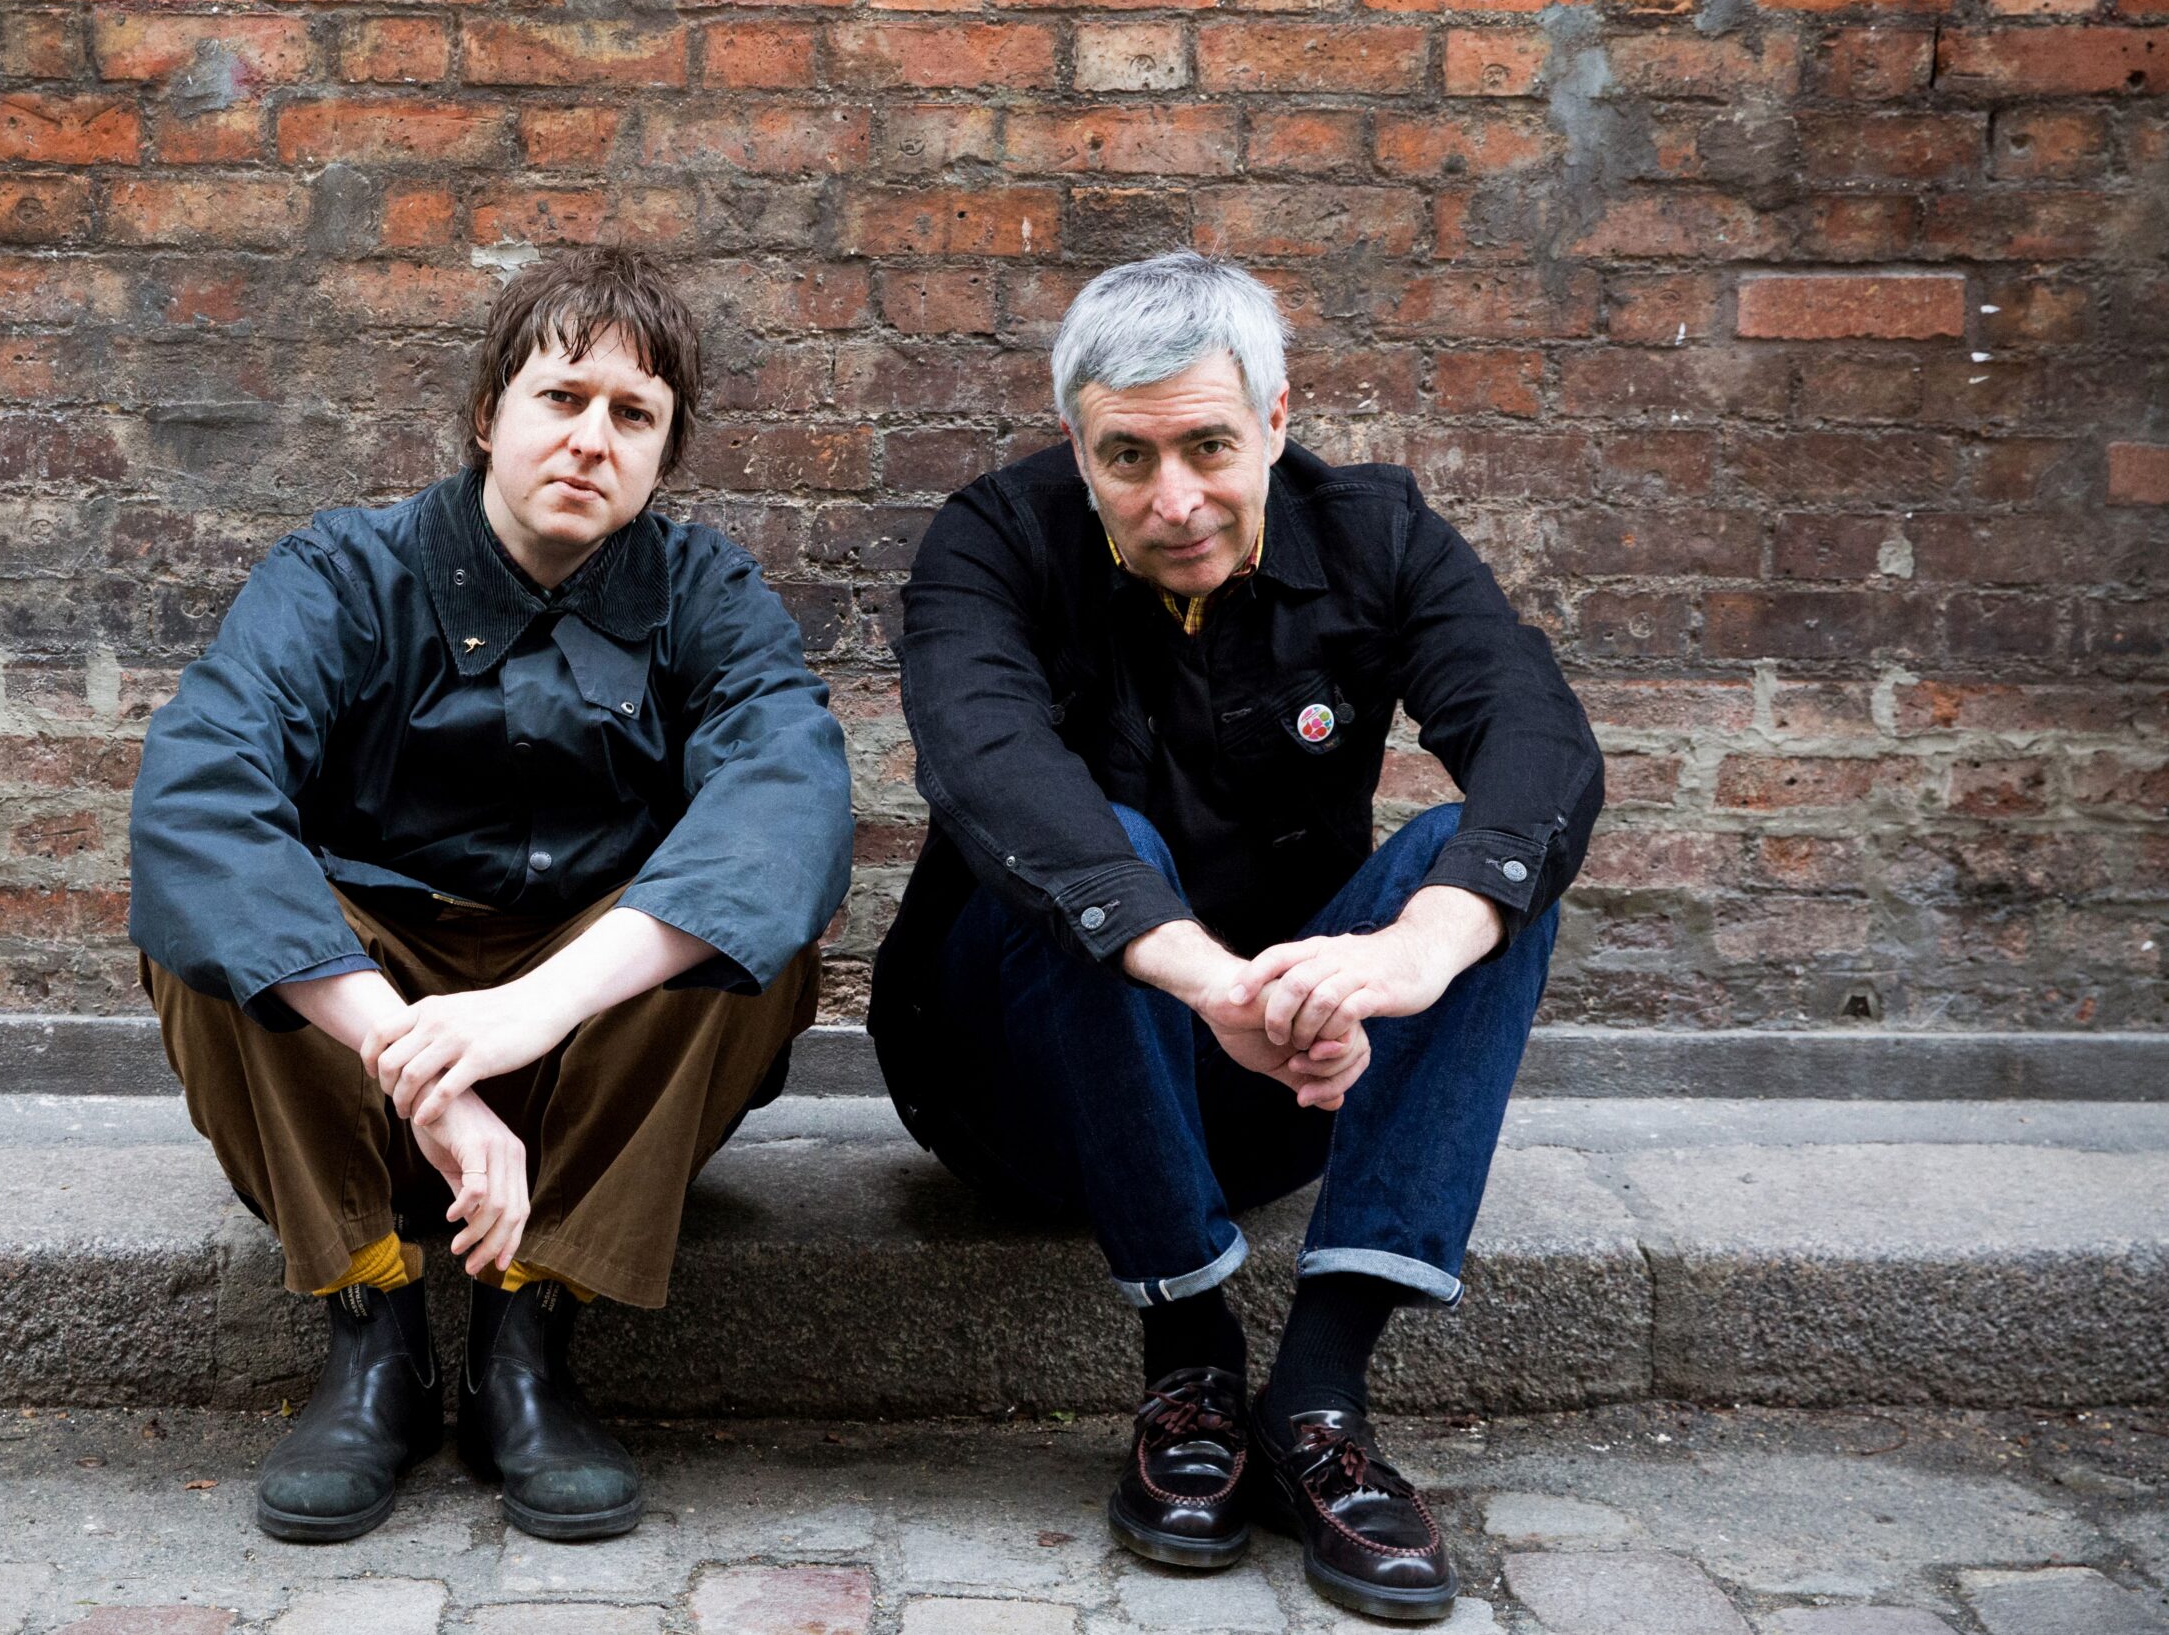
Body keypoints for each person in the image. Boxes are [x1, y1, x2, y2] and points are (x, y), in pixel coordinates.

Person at [868, 251, 1603, 1621]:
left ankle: (1317, 1398)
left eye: (1208, 445)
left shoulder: (1378, 535)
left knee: (1482, 860)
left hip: (1279, 1091)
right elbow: (985, 763)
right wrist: (1205, 979)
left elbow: (1535, 736)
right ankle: (1190, 1368)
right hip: (1020, 1094)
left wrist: (1415, 951)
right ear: (1076, 445)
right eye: (1127, 456)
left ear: (1274, 419)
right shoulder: (992, 543)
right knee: (1101, 848)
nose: (1175, 499)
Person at [129, 248, 853, 1546]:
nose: (591, 439)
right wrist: (425, 1069)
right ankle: (375, 1334)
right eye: (561, 398)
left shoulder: (707, 595)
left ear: (664, 452)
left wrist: (529, 1012)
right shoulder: (344, 575)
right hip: (359, 1068)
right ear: (487, 415)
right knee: (210, 920)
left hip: (589, 1074)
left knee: (754, 934)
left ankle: (531, 1337)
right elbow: (200, 793)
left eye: (633, 416)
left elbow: (787, 804)